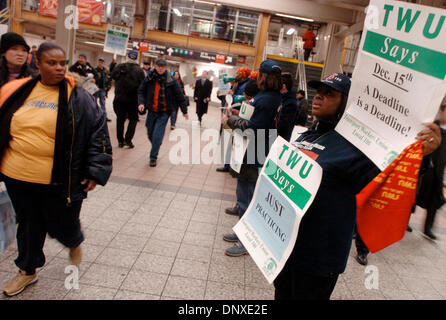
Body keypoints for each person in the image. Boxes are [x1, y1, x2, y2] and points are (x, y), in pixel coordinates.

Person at [273, 73, 441, 300]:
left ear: (347, 104)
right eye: (319, 92)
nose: (318, 97)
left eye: (329, 94)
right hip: (286, 246)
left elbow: (388, 173)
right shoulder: (311, 134)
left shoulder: (356, 146)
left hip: (318, 257)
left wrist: (421, 154)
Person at [0, 42, 113, 297]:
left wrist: (95, 171)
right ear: (37, 64)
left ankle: (73, 240)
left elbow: (98, 133)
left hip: (58, 178)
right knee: (29, 223)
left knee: (62, 223)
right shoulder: (18, 91)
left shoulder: (79, 96)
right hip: (17, 175)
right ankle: (27, 270)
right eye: (52, 63)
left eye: (62, 63)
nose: (60, 68)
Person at [221, 60, 282, 256]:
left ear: (263, 77)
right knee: (243, 191)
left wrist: (231, 120)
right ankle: (241, 231)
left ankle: (247, 241)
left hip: (255, 150)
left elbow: (253, 128)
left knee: (248, 195)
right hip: (254, 149)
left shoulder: (266, 99)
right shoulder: (268, 97)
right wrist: (241, 114)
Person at [137, 58, 188, 167]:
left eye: (163, 66)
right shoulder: (149, 78)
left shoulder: (171, 80)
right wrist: (141, 103)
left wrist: (184, 110)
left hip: (164, 113)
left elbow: (180, 96)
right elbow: (141, 91)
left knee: (157, 135)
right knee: (150, 132)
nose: (160, 68)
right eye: (158, 66)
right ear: (155, 66)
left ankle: (153, 157)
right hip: (151, 111)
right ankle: (156, 143)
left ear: (166, 68)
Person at [223, 78, 261, 217]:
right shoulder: (257, 103)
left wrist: (230, 119)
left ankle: (243, 215)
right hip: (247, 148)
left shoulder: (261, 104)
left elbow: (248, 126)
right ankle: (239, 206)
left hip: (252, 150)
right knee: (243, 184)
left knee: (247, 186)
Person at [414, 99, 446, 240]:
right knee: (415, 194)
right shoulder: (432, 127)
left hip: (439, 170)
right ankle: (405, 220)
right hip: (425, 167)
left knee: (435, 198)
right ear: (441, 111)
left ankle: (428, 227)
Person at [216, 67, 252, 172]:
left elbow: (242, 99)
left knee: (231, 142)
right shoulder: (237, 83)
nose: (236, 74)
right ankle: (228, 165)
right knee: (228, 141)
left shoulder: (245, 85)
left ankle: (229, 166)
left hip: (236, 116)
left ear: (243, 74)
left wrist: (233, 94)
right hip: (231, 114)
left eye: (238, 73)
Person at [111, 58, 145, 149]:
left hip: (119, 99)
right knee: (133, 119)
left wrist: (113, 65)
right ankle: (128, 140)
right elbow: (143, 85)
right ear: (136, 59)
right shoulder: (139, 70)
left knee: (120, 119)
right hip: (133, 100)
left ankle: (120, 141)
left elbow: (112, 76)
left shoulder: (119, 67)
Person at [276, 72, 299, 142]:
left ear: (283, 86)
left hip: (280, 140)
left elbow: (284, 125)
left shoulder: (291, 103)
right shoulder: (280, 98)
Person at [94, 57, 112, 122]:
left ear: (103, 63)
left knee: (103, 103)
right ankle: (95, 116)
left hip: (103, 89)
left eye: (102, 62)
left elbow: (109, 79)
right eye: (100, 62)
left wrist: (108, 87)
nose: (101, 63)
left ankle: (104, 116)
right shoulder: (95, 70)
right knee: (94, 103)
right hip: (96, 89)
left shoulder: (106, 71)